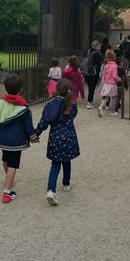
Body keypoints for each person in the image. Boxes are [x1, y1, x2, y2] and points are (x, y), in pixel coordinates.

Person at [0, 73, 39, 203]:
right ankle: (7, 192)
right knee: (13, 164)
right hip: (15, 142)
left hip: (1, 140)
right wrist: (34, 137)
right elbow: (28, 126)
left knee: (5, 159)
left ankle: (8, 179)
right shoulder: (23, 108)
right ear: (20, 89)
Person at [36, 78, 80, 206]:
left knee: (55, 165)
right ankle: (66, 183)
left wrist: (35, 134)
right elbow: (73, 115)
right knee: (67, 161)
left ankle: (51, 190)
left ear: (56, 90)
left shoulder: (50, 105)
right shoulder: (72, 105)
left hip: (55, 138)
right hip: (68, 137)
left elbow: (44, 122)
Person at [98, 49, 121, 117]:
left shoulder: (106, 66)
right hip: (112, 84)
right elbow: (114, 76)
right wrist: (119, 79)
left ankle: (101, 106)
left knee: (106, 98)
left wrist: (105, 82)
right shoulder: (115, 66)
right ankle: (113, 111)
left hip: (106, 83)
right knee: (114, 97)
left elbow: (104, 75)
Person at [82, 40, 102, 109]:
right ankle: (89, 102)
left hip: (87, 72)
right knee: (92, 88)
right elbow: (98, 64)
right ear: (96, 46)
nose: (100, 47)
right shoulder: (97, 54)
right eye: (99, 46)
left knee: (90, 87)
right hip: (94, 73)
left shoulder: (87, 51)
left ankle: (91, 100)